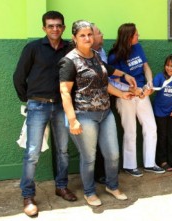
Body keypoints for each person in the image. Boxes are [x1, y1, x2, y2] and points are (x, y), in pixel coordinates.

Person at [59, 20, 137, 206]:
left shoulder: (95, 55)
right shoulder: (69, 61)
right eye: (82, 35)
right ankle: (89, 192)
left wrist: (123, 90)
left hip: (105, 114)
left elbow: (105, 79)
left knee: (112, 155)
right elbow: (64, 92)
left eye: (89, 34)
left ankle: (112, 185)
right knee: (89, 158)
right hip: (84, 115)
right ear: (74, 38)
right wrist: (72, 120)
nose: (87, 38)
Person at [13, 11, 77, 217]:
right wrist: (30, 98)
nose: (55, 29)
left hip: (60, 107)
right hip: (37, 106)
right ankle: (28, 196)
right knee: (32, 153)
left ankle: (61, 186)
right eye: (50, 26)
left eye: (58, 25)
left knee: (63, 151)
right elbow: (19, 77)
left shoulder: (70, 49)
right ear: (44, 28)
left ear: (64, 28)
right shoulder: (33, 48)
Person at [108, 23, 165, 177]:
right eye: (136, 35)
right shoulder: (114, 56)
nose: (138, 36)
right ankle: (130, 165)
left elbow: (146, 67)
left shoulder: (138, 47)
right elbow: (113, 80)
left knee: (151, 127)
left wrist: (149, 83)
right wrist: (131, 89)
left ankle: (150, 163)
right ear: (128, 37)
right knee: (130, 130)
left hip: (142, 94)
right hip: (125, 96)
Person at [91, 24, 106, 184]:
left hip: (105, 103)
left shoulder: (102, 52)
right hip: (88, 107)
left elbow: (107, 75)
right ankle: (92, 177)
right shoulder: (79, 57)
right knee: (90, 144)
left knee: (104, 142)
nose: (102, 35)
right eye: (99, 32)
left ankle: (102, 174)